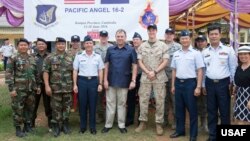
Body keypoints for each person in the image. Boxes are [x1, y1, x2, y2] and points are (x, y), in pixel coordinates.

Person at [202, 23, 237, 141]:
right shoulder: (205, 52)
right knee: (211, 111)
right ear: (208, 36)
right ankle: (213, 135)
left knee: (224, 111)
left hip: (224, 84)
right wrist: (203, 85)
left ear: (220, 35)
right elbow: (204, 70)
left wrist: (232, 85)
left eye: (216, 34)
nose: (213, 36)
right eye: (211, 34)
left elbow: (233, 68)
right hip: (210, 83)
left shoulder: (228, 50)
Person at [169, 30, 204, 141]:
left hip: (190, 84)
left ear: (190, 39)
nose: (184, 40)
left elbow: (200, 71)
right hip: (179, 83)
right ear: (180, 40)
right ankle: (180, 131)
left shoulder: (196, 53)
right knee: (179, 109)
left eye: (186, 38)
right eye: (182, 38)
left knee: (192, 110)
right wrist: (173, 85)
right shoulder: (176, 54)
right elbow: (174, 70)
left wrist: (198, 86)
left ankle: (193, 134)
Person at [135, 24, 169, 136]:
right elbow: (139, 61)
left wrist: (154, 72)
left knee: (160, 101)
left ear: (156, 31)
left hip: (159, 77)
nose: (151, 32)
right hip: (145, 77)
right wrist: (147, 72)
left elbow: (165, 61)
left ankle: (159, 123)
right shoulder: (142, 46)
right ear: (147, 32)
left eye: (153, 30)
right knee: (143, 100)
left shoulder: (163, 45)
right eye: (150, 30)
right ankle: (143, 122)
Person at [102, 29, 137, 134]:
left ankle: (121, 125)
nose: (120, 38)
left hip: (124, 81)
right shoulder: (110, 49)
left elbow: (135, 66)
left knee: (121, 104)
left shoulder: (131, 50)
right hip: (111, 80)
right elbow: (106, 65)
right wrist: (105, 80)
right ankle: (108, 124)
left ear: (125, 38)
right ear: (115, 37)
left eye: (122, 36)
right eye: (118, 36)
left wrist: (133, 80)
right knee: (110, 104)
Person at [5, 38, 40, 137]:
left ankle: (27, 126)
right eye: (21, 45)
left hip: (31, 89)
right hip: (18, 89)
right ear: (18, 46)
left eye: (25, 45)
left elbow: (36, 73)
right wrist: (11, 89)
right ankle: (18, 128)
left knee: (29, 108)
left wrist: (37, 86)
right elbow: (8, 74)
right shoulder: (13, 58)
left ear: (28, 46)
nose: (23, 47)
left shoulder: (32, 58)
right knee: (18, 109)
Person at [73, 35, 104, 135]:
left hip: (93, 82)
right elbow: (75, 70)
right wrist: (75, 84)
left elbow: (100, 70)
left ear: (93, 44)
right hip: (82, 81)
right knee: (82, 104)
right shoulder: (79, 55)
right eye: (86, 43)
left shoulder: (98, 56)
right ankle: (82, 127)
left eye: (90, 43)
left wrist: (100, 83)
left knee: (93, 104)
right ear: (84, 44)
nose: (88, 45)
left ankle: (92, 127)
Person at [43, 37, 74, 137]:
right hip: (55, 89)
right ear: (56, 45)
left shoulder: (71, 57)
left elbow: (74, 72)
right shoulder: (50, 57)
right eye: (59, 44)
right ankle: (56, 126)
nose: (61, 45)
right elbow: (46, 72)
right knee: (56, 108)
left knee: (67, 107)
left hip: (68, 88)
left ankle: (65, 125)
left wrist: (75, 85)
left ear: (65, 45)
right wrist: (47, 86)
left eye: (62, 44)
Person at [31, 38, 52, 131]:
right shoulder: (31, 56)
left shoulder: (51, 56)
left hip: (47, 84)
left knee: (48, 104)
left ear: (46, 45)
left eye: (42, 44)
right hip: (36, 85)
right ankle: (31, 125)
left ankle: (51, 124)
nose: (41, 46)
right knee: (33, 104)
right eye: (39, 44)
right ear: (36, 45)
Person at [164, 28, 181, 129]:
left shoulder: (178, 47)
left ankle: (175, 121)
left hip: (174, 77)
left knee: (174, 99)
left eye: (171, 34)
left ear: (174, 36)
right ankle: (165, 120)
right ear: (165, 35)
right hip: (161, 76)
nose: (169, 36)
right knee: (163, 99)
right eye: (167, 34)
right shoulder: (160, 46)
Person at [94, 30, 113, 123]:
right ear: (99, 37)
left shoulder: (112, 47)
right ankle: (99, 115)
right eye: (102, 36)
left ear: (108, 37)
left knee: (110, 97)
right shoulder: (94, 48)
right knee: (98, 97)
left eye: (105, 36)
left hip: (110, 75)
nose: (103, 38)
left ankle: (109, 117)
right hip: (98, 75)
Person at [126, 32, 143, 127]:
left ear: (141, 41)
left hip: (142, 76)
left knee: (141, 98)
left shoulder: (144, 50)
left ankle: (140, 120)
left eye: (137, 39)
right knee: (130, 98)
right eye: (134, 39)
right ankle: (130, 119)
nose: (135, 41)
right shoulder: (129, 50)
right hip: (131, 76)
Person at [194, 35, 209, 133]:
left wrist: (203, 84)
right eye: (198, 41)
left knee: (207, 104)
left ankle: (206, 124)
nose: (200, 43)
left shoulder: (209, 52)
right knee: (198, 104)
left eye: (202, 41)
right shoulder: (193, 52)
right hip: (195, 82)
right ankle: (201, 123)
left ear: (206, 42)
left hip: (207, 82)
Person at [233, 46, 250, 125]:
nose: (243, 56)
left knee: (248, 120)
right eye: (241, 54)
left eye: (245, 54)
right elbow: (237, 83)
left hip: (249, 96)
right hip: (240, 96)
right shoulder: (238, 68)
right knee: (239, 120)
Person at [68, 35, 82, 113]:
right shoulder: (67, 52)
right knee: (70, 94)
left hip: (80, 76)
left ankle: (80, 110)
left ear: (79, 42)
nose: (75, 43)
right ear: (71, 42)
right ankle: (70, 109)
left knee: (81, 94)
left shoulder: (83, 52)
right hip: (69, 76)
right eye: (74, 41)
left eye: (77, 41)